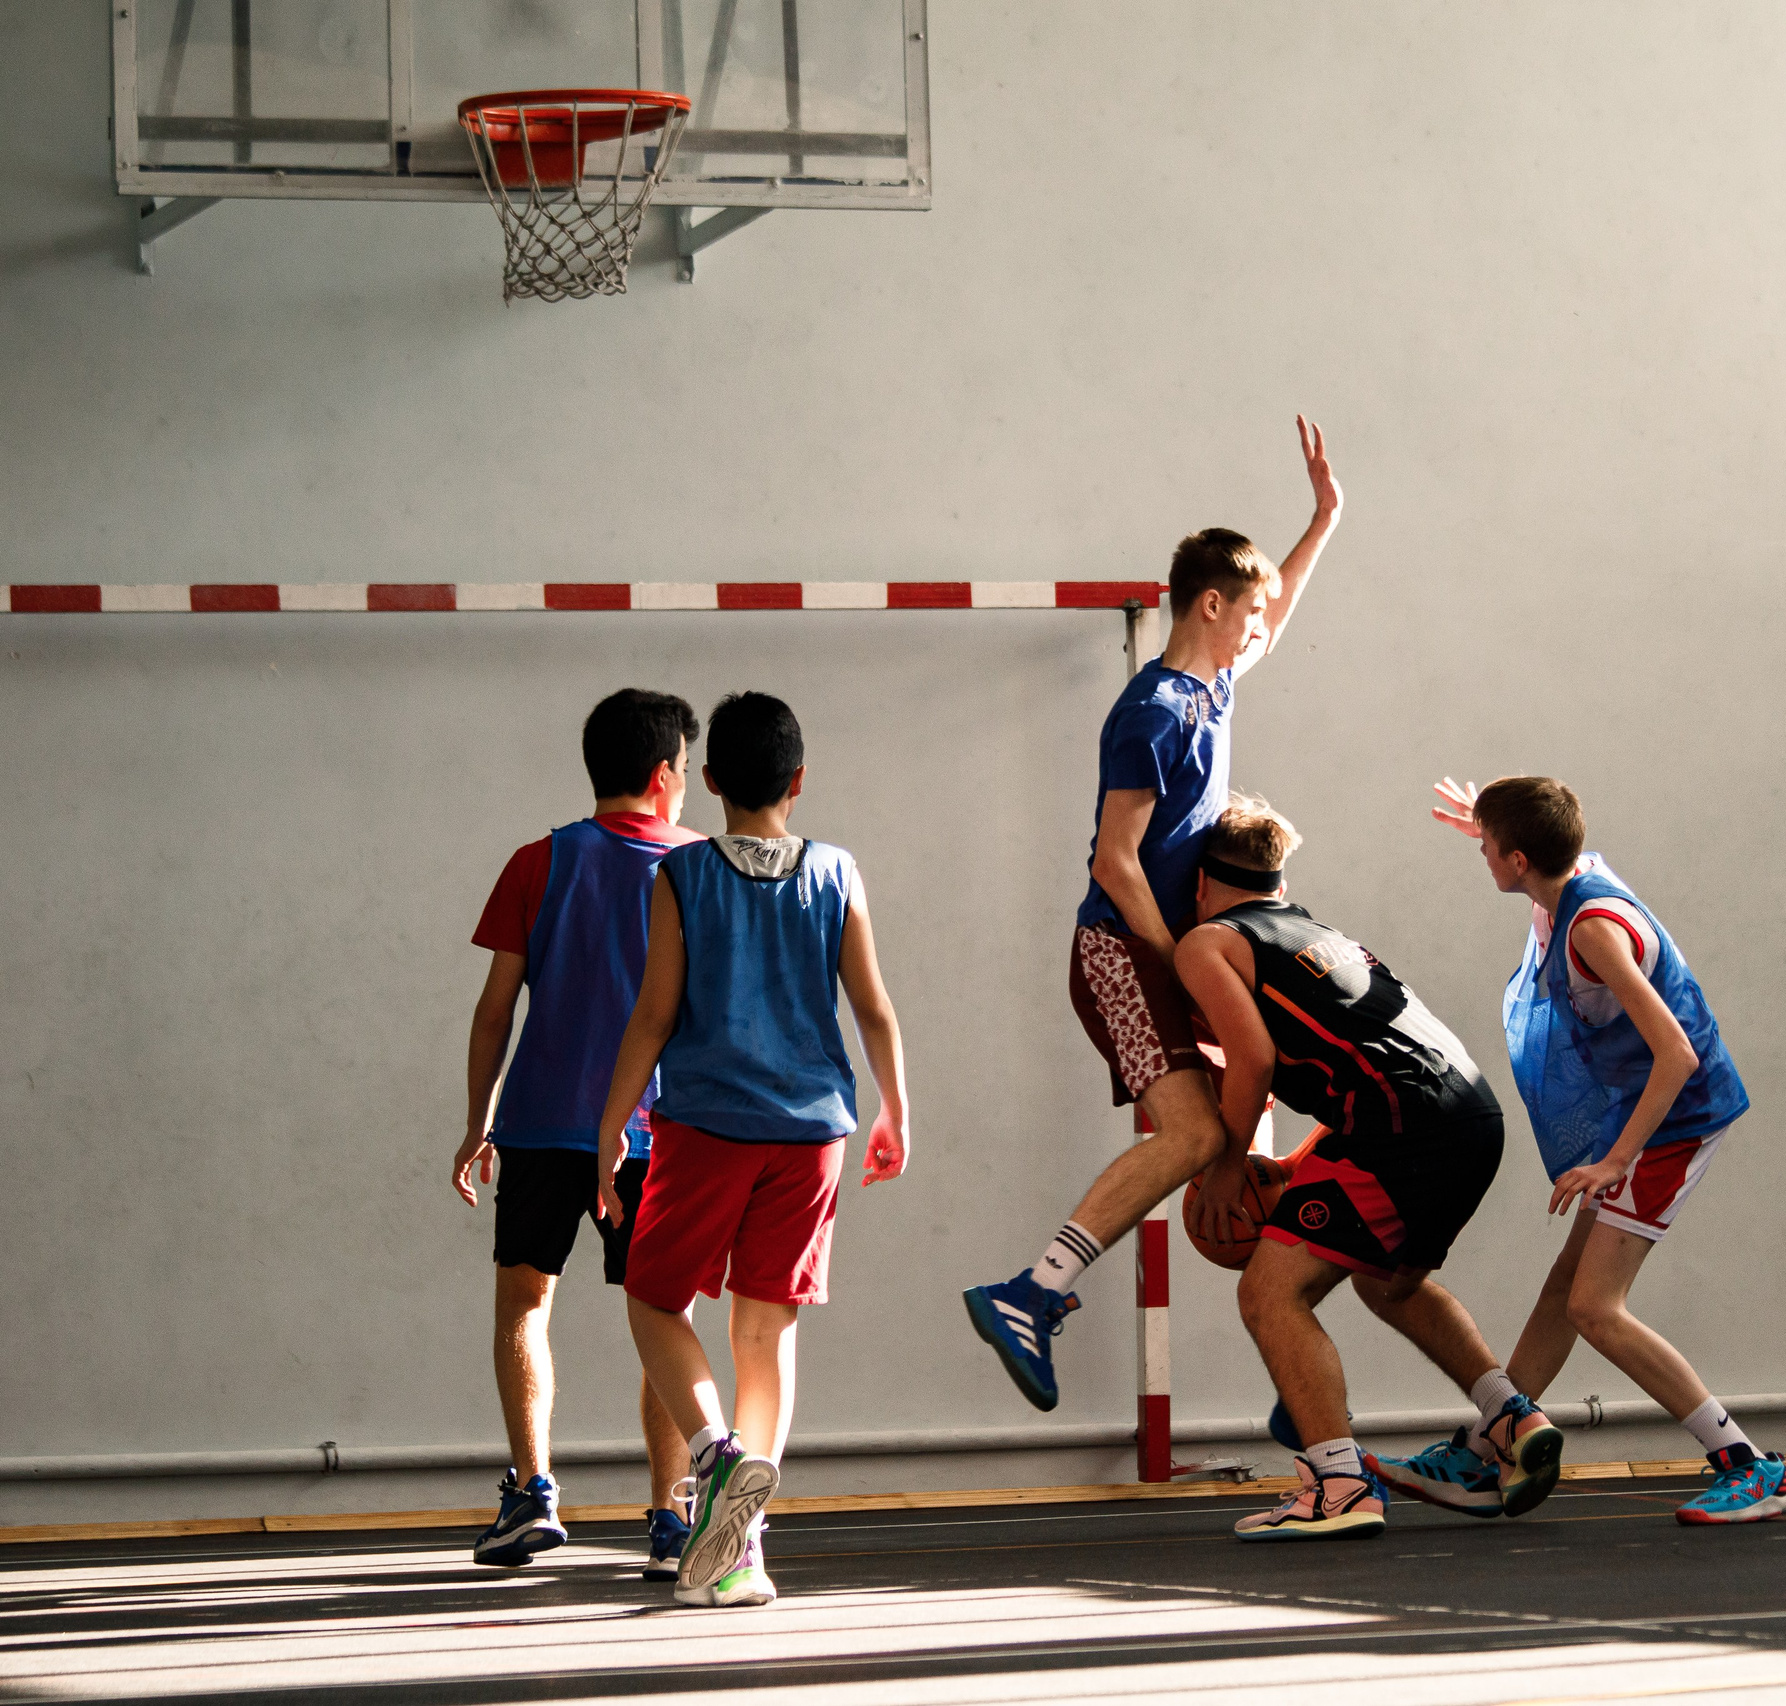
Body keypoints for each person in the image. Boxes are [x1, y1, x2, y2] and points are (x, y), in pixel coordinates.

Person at [963, 418, 1341, 1412]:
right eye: (1250, 611)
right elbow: (1114, 860)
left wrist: (1323, 518)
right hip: (1120, 952)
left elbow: (1285, 602)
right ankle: (1031, 1290)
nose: (1264, 626)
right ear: (1211, 604)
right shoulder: (1152, 713)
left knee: (1247, 1124)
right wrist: (1177, 960)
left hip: (1176, 953)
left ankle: (1287, 1345)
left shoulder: (1213, 683)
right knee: (1188, 1136)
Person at [1393, 775, 1786, 1526]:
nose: (1480, 853)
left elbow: (1674, 1055)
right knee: (1564, 1287)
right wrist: (1500, 818)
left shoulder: (1593, 930)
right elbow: (1546, 835)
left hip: (1676, 1120)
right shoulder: (1564, 877)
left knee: (1594, 1307)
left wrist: (1619, 1159)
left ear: (1518, 861)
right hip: (1643, 1116)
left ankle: (1749, 1465)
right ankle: (1488, 1452)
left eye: (1488, 847)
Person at [595, 692, 912, 1608]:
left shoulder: (682, 876)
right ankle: (744, 1551)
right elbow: (874, 1007)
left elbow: (653, 1013)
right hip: (813, 1134)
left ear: (716, 781)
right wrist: (897, 1108)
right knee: (765, 1331)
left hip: (705, 1126)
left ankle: (715, 1459)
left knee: (655, 1301)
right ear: (798, 781)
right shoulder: (839, 871)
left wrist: (612, 1123)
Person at [1172, 798, 1560, 1539]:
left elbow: (1251, 1059)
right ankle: (1510, 1418)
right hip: (1469, 1114)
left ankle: (1340, 1487)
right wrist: (1297, 1162)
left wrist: (1227, 1164)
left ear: (1198, 881)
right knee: (1391, 1282)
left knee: (1269, 1293)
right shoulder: (1317, 931)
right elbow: (1367, 1067)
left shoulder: (1209, 942)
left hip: (1404, 1129)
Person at [452, 687, 702, 1574]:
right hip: (659, 1132)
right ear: (665, 774)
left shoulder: (539, 860)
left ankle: (532, 1493)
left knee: (525, 1306)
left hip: (542, 1125)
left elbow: (492, 1012)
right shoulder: (702, 866)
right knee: (663, 1315)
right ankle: (673, 1519)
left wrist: (477, 1122)